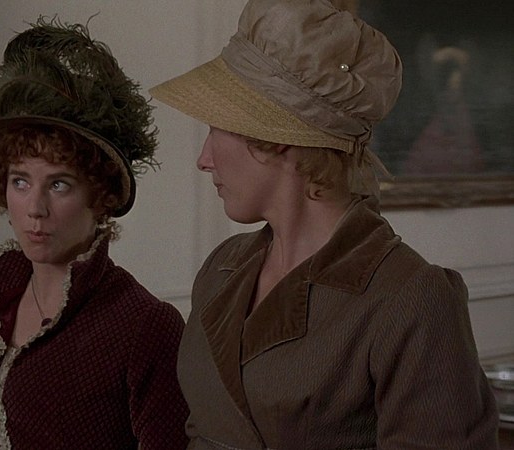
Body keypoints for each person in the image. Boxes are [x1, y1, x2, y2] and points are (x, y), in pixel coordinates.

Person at [149, 0, 499, 448]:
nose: (204, 159)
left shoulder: (411, 297)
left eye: (217, 128)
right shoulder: (222, 269)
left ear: (277, 137)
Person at [0, 17, 189, 450]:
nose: (35, 208)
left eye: (59, 184)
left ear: (100, 195)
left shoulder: (143, 326)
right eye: (20, 182)